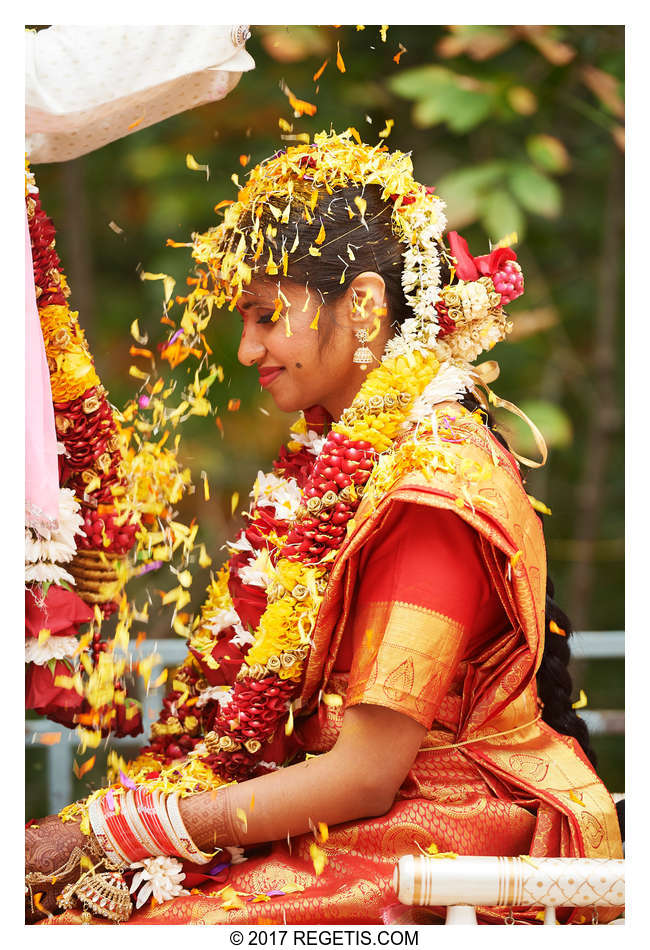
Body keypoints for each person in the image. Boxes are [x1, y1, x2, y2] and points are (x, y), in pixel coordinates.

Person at [26, 129, 623, 926]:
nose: (246, 349)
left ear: (367, 304)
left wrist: (121, 830)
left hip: (438, 837)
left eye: (268, 316)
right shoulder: (343, 457)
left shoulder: (435, 486)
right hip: (348, 826)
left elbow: (366, 775)